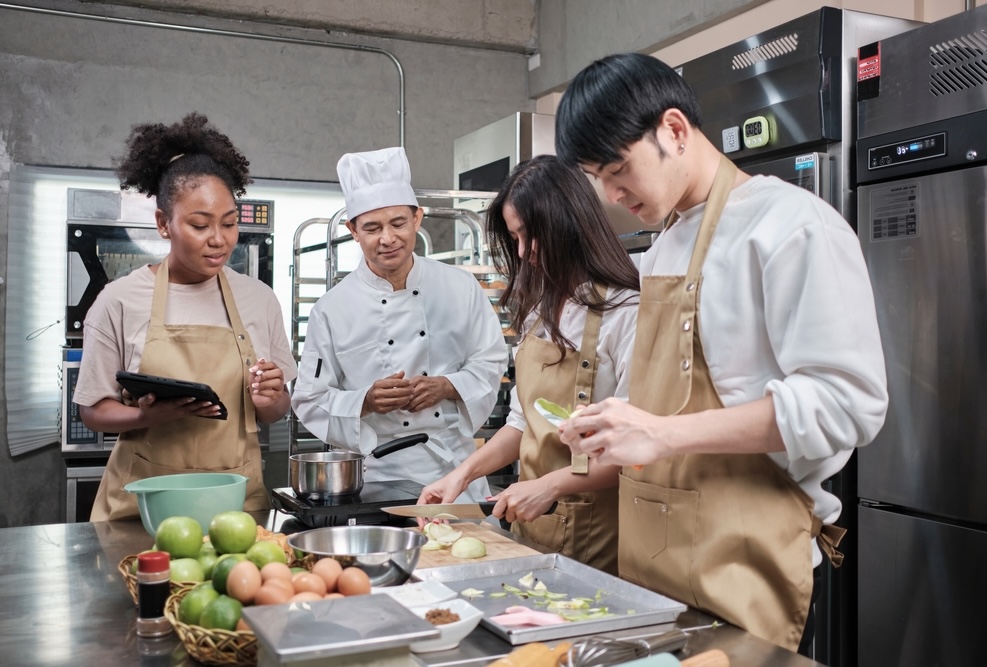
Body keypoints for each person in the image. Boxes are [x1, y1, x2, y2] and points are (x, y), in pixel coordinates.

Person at [554, 53, 888, 653]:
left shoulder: (791, 224)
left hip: (742, 562)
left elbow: (848, 404)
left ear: (675, 131)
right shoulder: (659, 251)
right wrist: (613, 424)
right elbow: (656, 399)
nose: (609, 194)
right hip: (654, 562)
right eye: (597, 179)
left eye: (618, 169)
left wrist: (664, 435)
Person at [417, 155, 640, 574]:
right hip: (533, 528)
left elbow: (635, 450)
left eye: (529, 236)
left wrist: (549, 486)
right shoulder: (543, 310)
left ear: (568, 224)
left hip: (600, 536)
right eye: (515, 239)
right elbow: (523, 425)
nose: (524, 253)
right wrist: (460, 477)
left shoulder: (626, 311)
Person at [75, 112, 297, 521]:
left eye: (229, 224)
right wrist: (147, 416)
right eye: (200, 224)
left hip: (235, 506)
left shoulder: (259, 299)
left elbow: (276, 409)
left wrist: (270, 396)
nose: (219, 240)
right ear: (164, 224)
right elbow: (92, 410)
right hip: (145, 506)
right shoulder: (119, 300)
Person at [290, 147, 507, 502]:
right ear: (353, 231)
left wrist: (448, 386)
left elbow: (491, 361)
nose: (387, 238)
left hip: (456, 470)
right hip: (379, 476)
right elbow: (310, 398)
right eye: (372, 228)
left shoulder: (460, 286)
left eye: (398, 223)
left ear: (417, 219)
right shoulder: (331, 309)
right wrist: (366, 400)